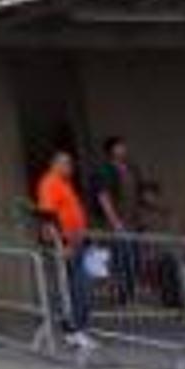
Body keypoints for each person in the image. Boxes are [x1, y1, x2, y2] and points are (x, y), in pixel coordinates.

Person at [35, 149, 96, 349]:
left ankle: (77, 329)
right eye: (66, 163)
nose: (70, 167)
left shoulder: (65, 184)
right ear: (55, 164)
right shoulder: (49, 182)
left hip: (77, 242)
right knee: (75, 288)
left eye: (71, 163)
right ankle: (73, 329)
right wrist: (62, 244)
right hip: (66, 245)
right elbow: (48, 216)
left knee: (81, 286)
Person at [90, 136, 140, 302]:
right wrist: (114, 221)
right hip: (115, 223)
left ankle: (129, 293)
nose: (124, 149)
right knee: (116, 257)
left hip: (131, 221)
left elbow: (139, 192)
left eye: (124, 146)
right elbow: (103, 196)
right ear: (111, 150)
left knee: (132, 257)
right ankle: (117, 293)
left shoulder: (130, 169)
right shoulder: (104, 170)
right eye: (120, 147)